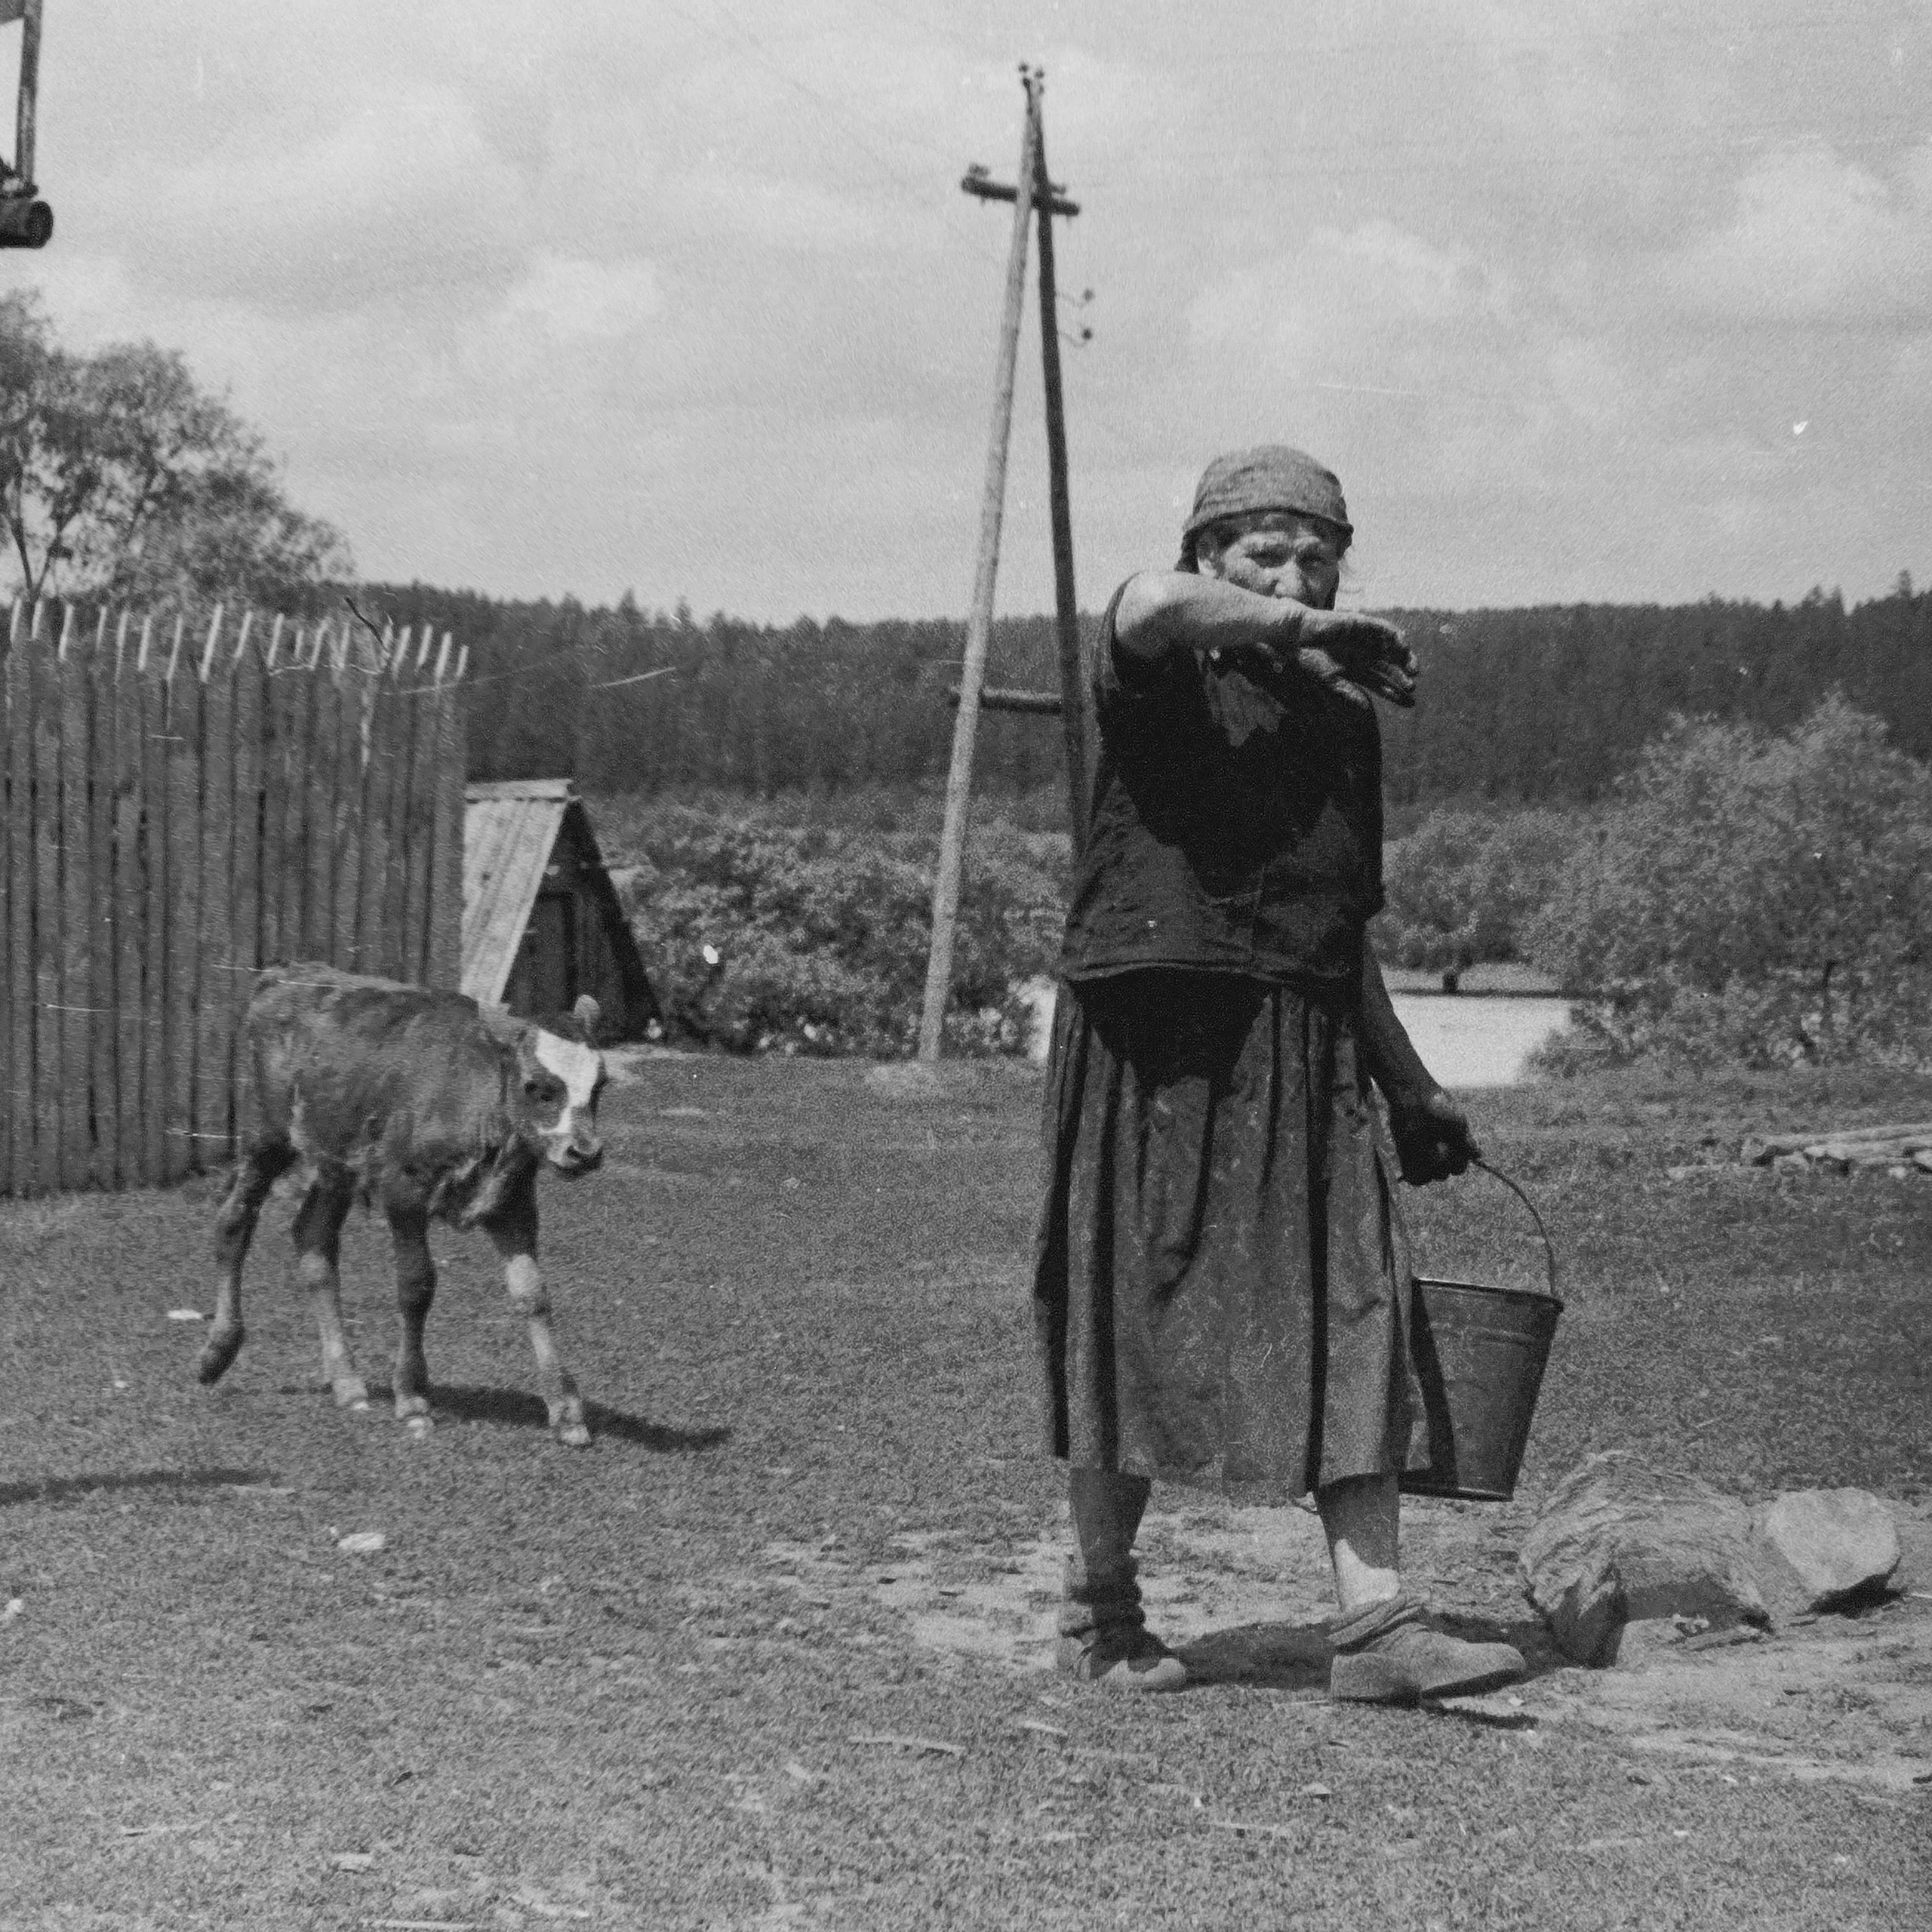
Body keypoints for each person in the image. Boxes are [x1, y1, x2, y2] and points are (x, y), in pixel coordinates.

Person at [1032, 444, 1527, 1703]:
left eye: (1319, 554)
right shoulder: (1164, 670)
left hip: (1303, 1044)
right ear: (1211, 557)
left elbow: (1341, 932)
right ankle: (1102, 1612)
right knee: (1130, 1316)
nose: (1298, 572)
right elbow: (1142, 602)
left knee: (1356, 1304)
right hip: (1161, 1036)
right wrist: (1309, 621)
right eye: (1265, 551)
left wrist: (1411, 1083)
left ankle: (1375, 1628)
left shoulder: (1342, 716)